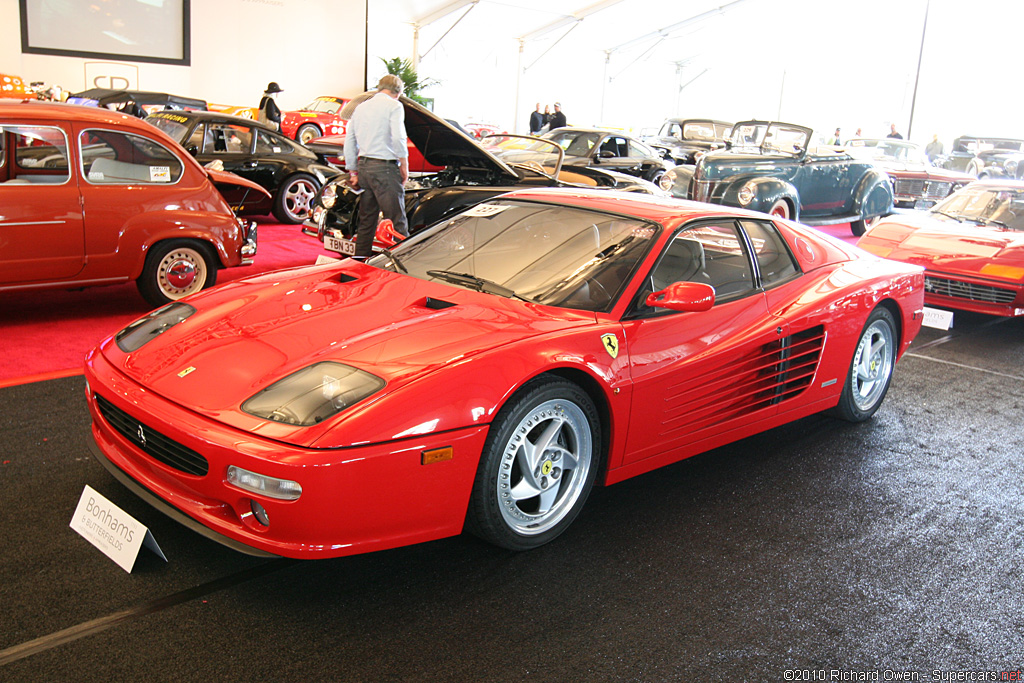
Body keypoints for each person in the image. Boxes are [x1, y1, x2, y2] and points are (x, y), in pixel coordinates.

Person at [343, 74, 409, 260]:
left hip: (364, 168)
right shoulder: (394, 106)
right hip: (385, 169)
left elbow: (350, 140)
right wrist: (404, 164)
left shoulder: (361, 107)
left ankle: (359, 261)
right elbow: (398, 137)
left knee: (366, 221)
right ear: (398, 92)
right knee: (397, 221)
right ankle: (403, 266)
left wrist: (353, 170)